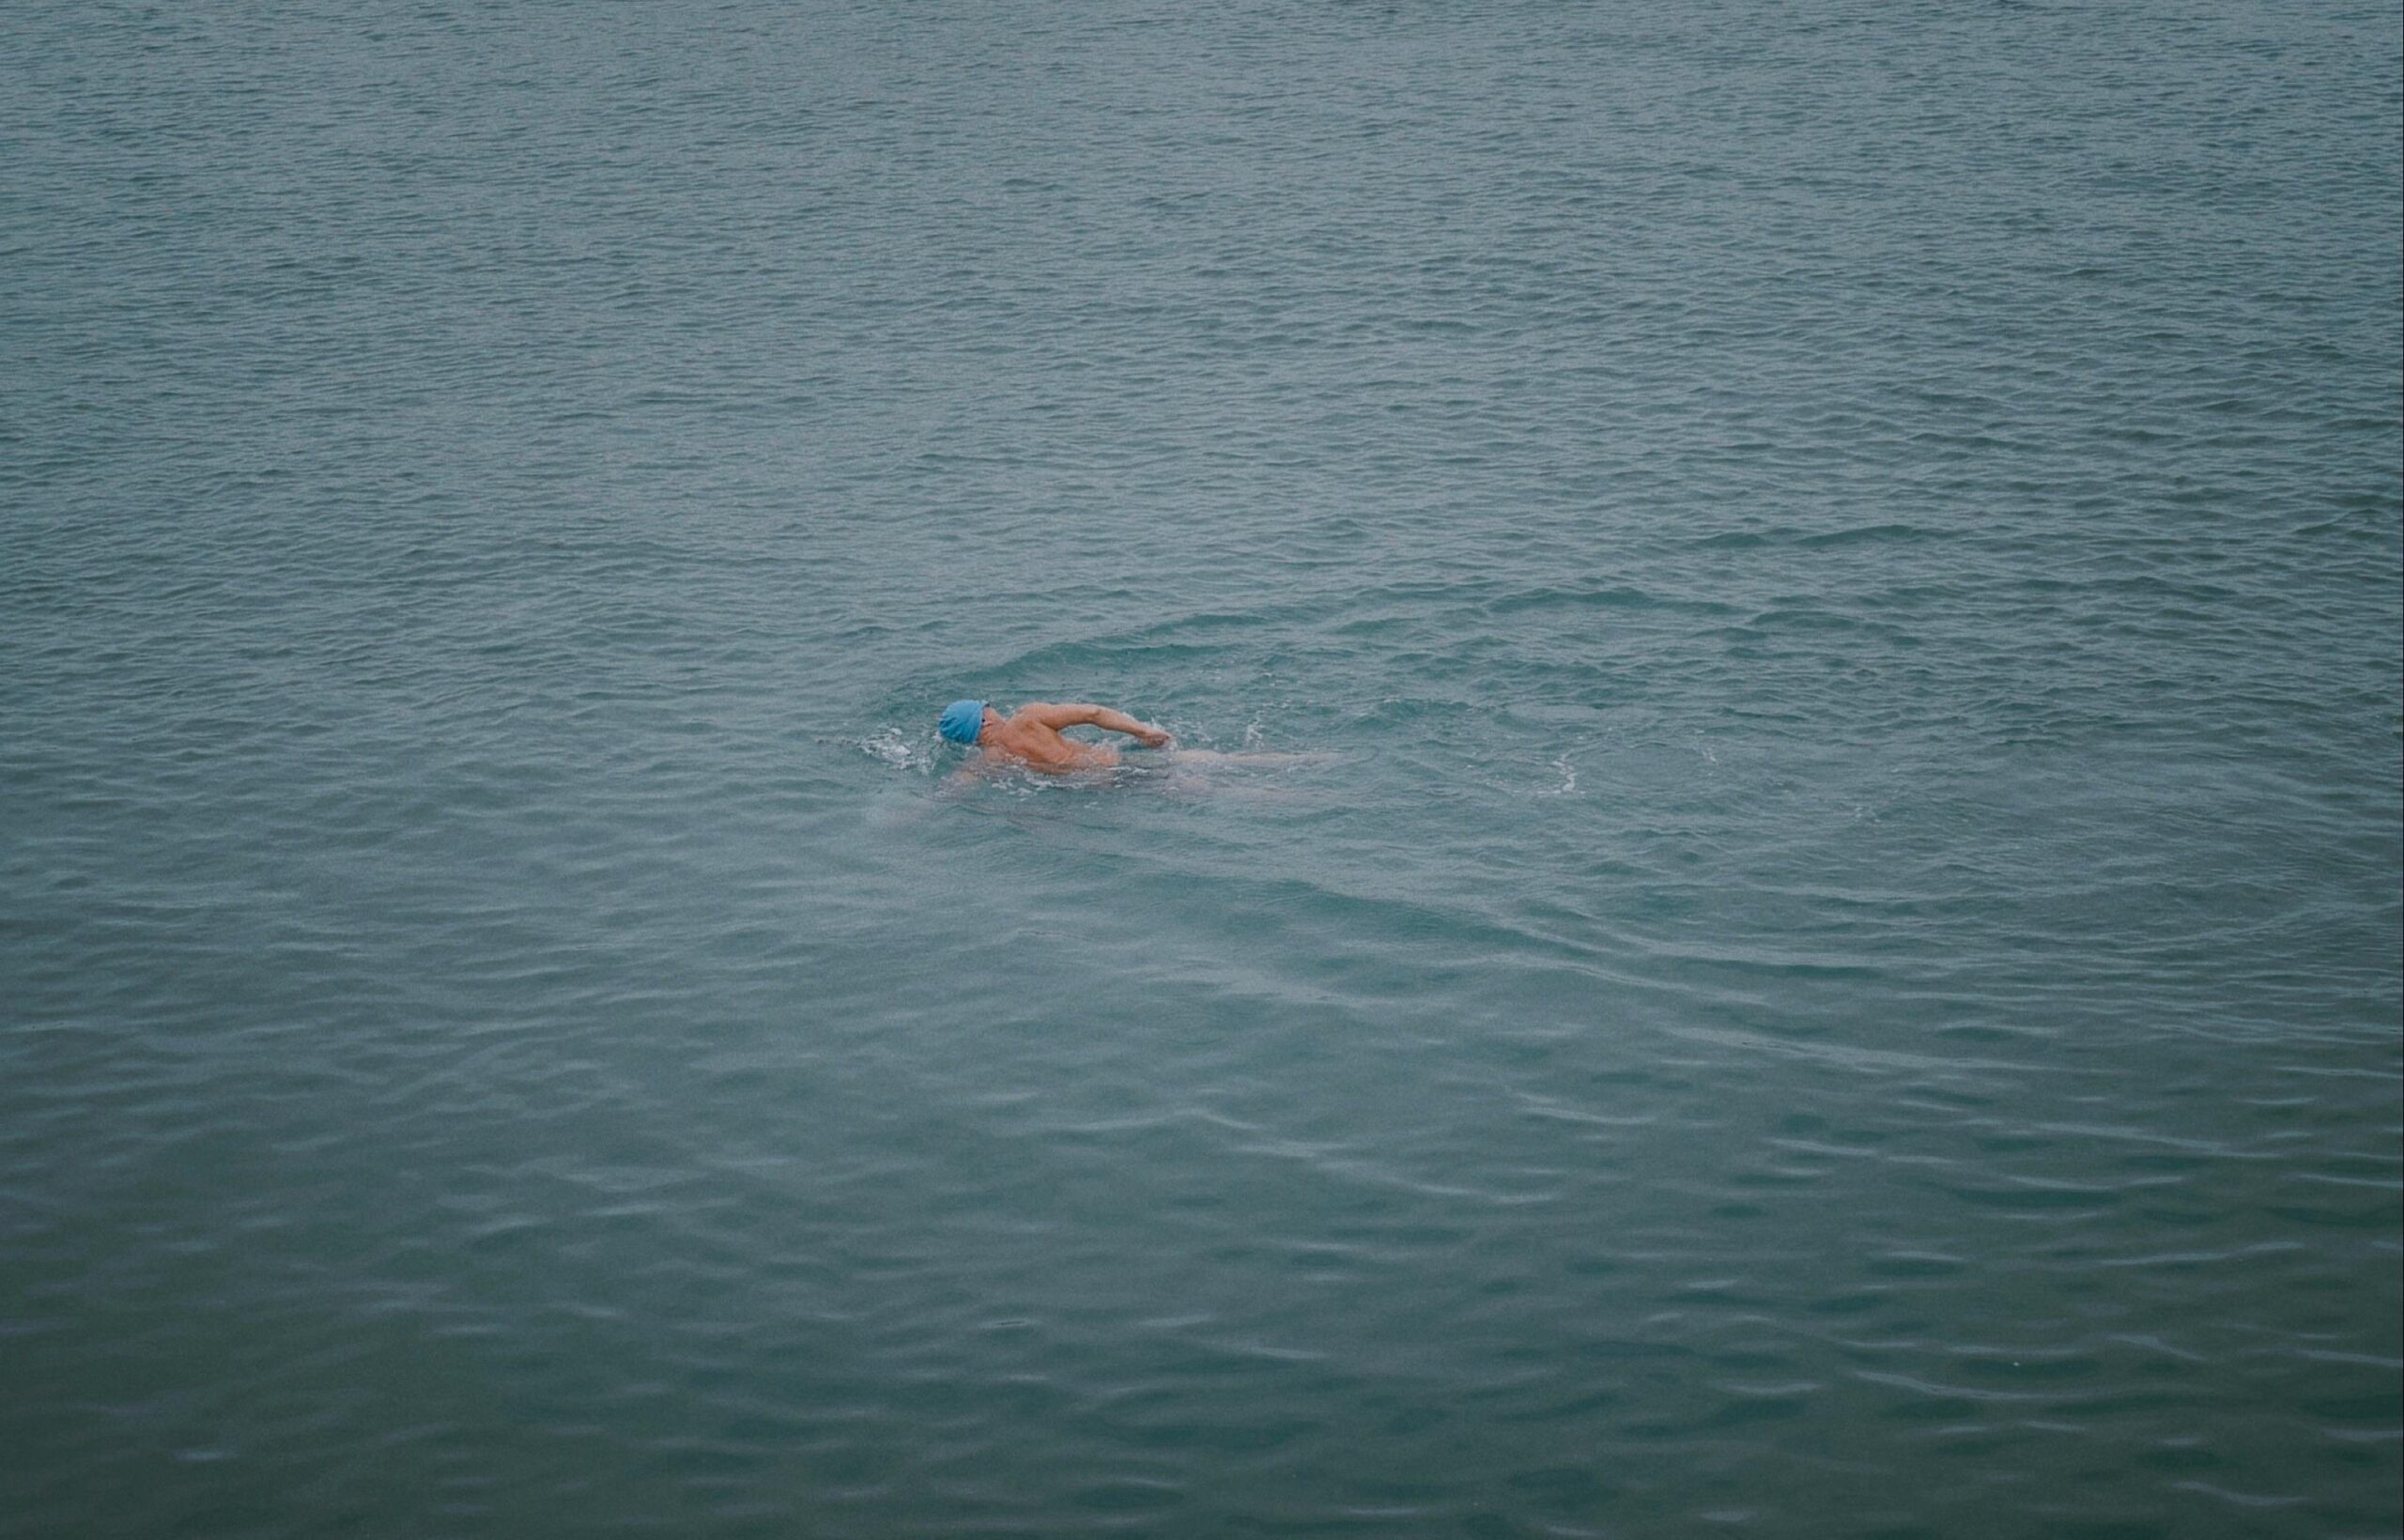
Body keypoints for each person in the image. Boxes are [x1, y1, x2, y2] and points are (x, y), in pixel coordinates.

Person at [938, 699, 1173, 774]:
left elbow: (956, 787)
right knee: (1195, 763)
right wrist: (1144, 730)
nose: (993, 708)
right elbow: (1093, 713)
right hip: (1113, 767)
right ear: (983, 719)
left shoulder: (989, 762)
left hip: (1085, 789)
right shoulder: (1026, 719)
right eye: (987, 706)